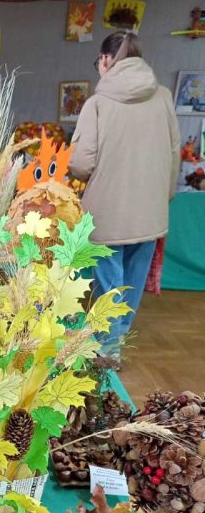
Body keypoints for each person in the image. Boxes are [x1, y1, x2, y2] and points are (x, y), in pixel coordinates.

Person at [70, 31, 180, 361]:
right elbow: (174, 152)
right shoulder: (163, 97)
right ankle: (116, 340)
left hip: (107, 211)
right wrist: (164, 196)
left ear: (106, 59)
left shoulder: (97, 103)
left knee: (109, 281)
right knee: (132, 280)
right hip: (150, 210)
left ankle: (107, 348)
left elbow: (81, 164)